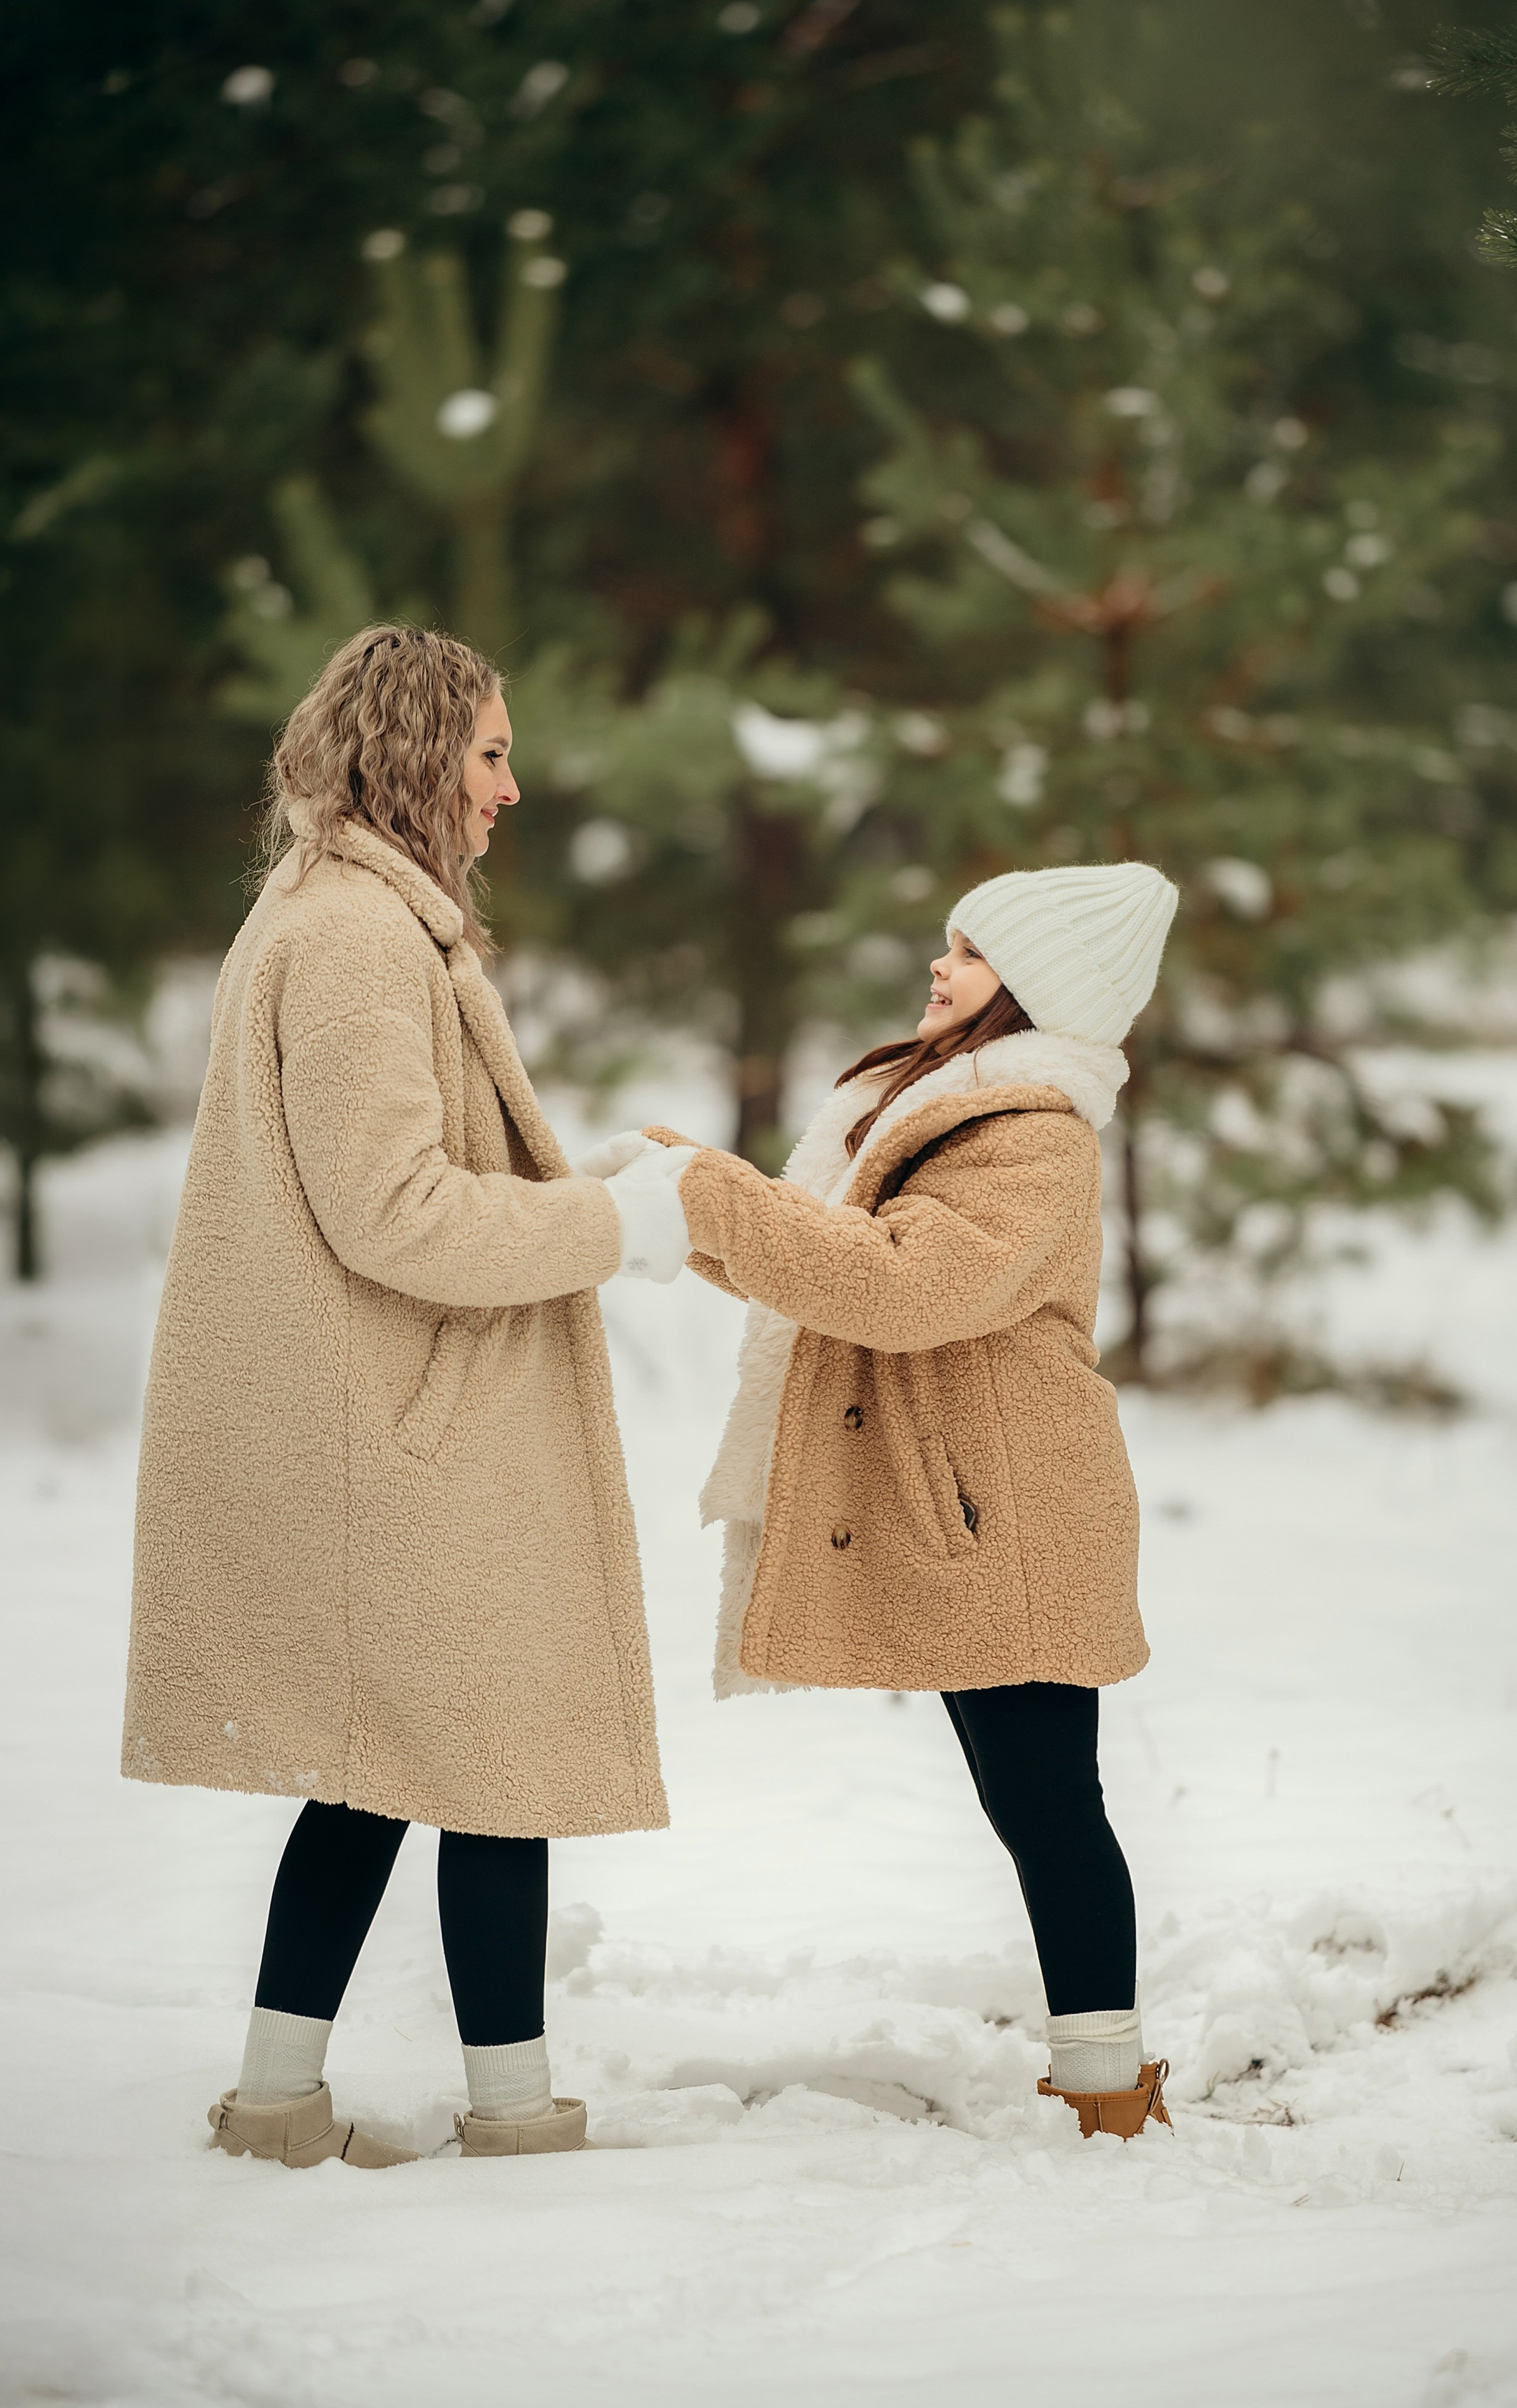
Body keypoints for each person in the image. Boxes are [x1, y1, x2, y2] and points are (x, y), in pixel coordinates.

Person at [123, 624, 690, 2168]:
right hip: (399, 1431)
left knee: (383, 1773)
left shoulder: (336, 913)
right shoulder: (361, 941)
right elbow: (396, 1213)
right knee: (489, 1766)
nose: (513, 788)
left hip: (389, 1417)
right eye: (492, 753)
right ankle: (507, 2120)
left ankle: (283, 2102)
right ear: (417, 753)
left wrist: (601, 1194)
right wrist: (614, 1229)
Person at [617, 862, 1179, 2139]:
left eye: (972, 954)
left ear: (1036, 992)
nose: (940, 968)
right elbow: (815, 1262)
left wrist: (706, 1192)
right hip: (971, 1500)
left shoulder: (1032, 1135)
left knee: (1049, 1806)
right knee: (1032, 1804)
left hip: (1015, 1511)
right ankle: (1104, 2079)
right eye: (948, 944)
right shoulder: (941, 1105)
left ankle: (1109, 2091)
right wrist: (680, 1200)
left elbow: (899, 1284)